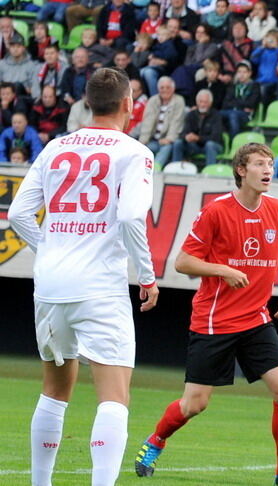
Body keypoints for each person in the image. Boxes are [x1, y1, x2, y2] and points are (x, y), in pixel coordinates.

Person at [9, 67, 160, 486]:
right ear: (129, 104)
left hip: (51, 284)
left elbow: (19, 214)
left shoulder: (56, 147)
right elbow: (131, 216)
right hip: (100, 287)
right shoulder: (134, 152)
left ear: (88, 104)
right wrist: (147, 276)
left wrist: (53, 248)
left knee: (54, 392)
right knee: (114, 396)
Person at [133, 143, 278, 486]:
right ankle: (155, 441)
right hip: (214, 321)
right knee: (195, 404)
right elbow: (182, 262)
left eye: (270, 164)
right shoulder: (216, 211)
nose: (267, 170)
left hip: (257, 319)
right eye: (259, 164)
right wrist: (222, 270)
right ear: (241, 170)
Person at [138, 76, 186, 166]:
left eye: (168, 87)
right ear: (158, 89)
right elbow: (147, 122)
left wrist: (169, 138)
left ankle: (156, 169)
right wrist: (143, 141)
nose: (165, 90)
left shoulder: (179, 101)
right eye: (162, 88)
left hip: (169, 140)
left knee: (167, 148)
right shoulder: (153, 100)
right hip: (153, 140)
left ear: (173, 89)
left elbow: (176, 122)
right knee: (144, 149)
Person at [175, 89, 224, 167]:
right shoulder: (191, 115)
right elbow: (183, 133)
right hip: (195, 146)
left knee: (210, 145)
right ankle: (175, 169)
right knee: (178, 143)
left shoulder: (216, 116)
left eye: (205, 102)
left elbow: (216, 137)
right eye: (200, 102)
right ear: (197, 102)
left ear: (210, 103)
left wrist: (198, 138)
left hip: (214, 146)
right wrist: (186, 137)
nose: (202, 104)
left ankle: (209, 171)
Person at [220, 61, 261, 137]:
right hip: (231, 111)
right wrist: (242, 105)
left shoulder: (255, 86)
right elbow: (225, 103)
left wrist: (235, 102)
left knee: (233, 115)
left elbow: (251, 103)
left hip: (246, 115)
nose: (241, 75)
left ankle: (234, 141)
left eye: (244, 72)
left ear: (250, 73)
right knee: (215, 114)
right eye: (239, 72)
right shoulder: (233, 85)